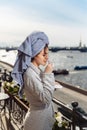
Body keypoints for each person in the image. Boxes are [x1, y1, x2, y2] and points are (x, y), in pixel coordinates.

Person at [11, 31, 55, 130]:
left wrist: (51, 83)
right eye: (44, 55)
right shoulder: (29, 74)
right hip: (38, 124)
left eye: (47, 54)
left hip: (42, 121)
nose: (47, 57)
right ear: (34, 54)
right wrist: (47, 73)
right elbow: (45, 99)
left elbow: (39, 88)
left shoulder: (35, 70)